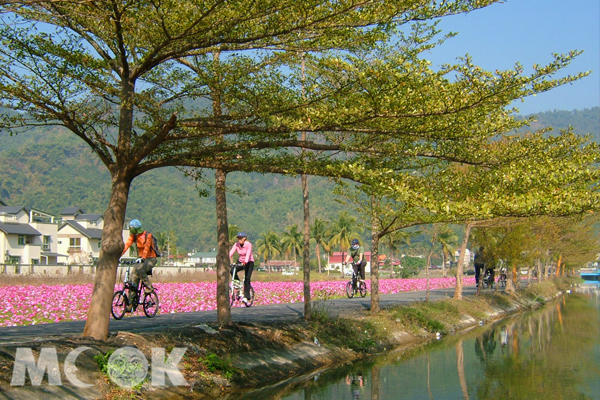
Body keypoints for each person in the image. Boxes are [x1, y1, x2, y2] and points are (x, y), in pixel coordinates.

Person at [121, 219, 158, 311]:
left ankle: (149, 287)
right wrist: (119, 255)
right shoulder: (133, 236)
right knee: (133, 279)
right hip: (140, 259)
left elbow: (146, 248)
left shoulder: (147, 235)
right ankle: (130, 304)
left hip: (150, 259)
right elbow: (126, 245)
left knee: (140, 270)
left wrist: (143, 257)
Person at [229, 231, 255, 304]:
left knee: (247, 279)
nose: (239, 240)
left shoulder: (248, 244)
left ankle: (247, 296)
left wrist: (245, 262)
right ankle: (237, 284)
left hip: (249, 262)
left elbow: (248, 253)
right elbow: (231, 253)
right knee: (232, 270)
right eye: (238, 238)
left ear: (244, 238)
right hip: (240, 261)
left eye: (241, 238)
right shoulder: (236, 245)